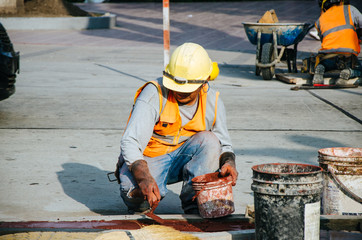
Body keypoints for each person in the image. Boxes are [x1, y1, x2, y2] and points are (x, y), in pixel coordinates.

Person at [115, 42, 238, 214]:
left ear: (204, 82)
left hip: (184, 156)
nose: (180, 92)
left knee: (210, 140)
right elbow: (130, 141)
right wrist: (143, 177)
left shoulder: (212, 101)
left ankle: (193, 200)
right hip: (151, 159)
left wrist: (228, 162)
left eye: (187, 90)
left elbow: (223, 143)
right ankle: (143, 196)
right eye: (176, 87)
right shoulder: (153, 93)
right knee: (135, 196)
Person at [313, 0, 362, 85]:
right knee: (359, 69)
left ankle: (320, 69)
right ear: (340, 2)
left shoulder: (319, 20)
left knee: (325, 64)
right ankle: (349, 72)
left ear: (324, 6)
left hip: (328, 56)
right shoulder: (350, 9)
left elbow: (324, 39)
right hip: (348, 55)